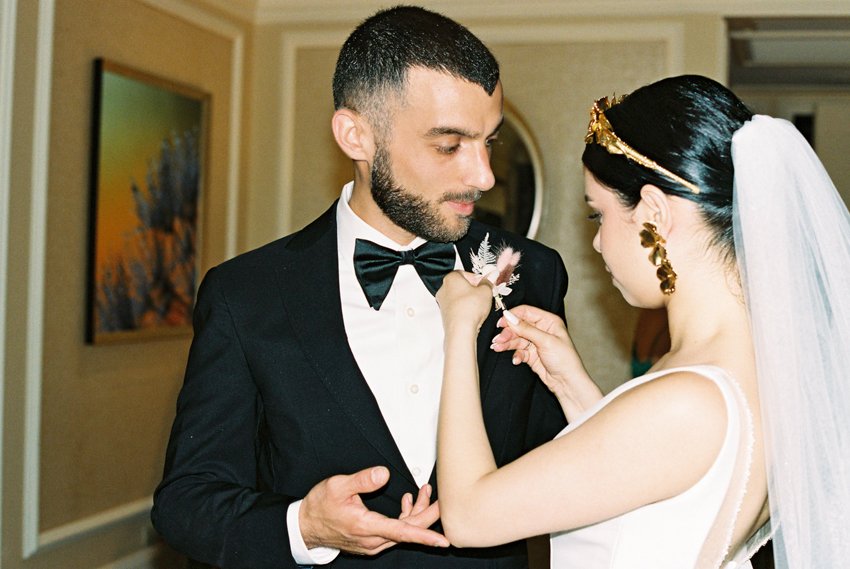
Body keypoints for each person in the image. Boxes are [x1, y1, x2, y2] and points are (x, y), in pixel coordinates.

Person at [151, 6, 568, 569]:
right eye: (449, 146)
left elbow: (564, 467)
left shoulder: (530, 273)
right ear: (356, 136)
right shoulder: (244, 296)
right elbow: (186, 502)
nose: (484, 175)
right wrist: (306, 525)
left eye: (488, 142)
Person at [435, 74, 850, 568]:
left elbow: (468, 516)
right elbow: (651, 487)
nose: (597, 243)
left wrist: (459, 328)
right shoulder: (757, 371)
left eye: (599, 215)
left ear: (653, 211)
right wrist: (573, 387)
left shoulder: (688, 401)